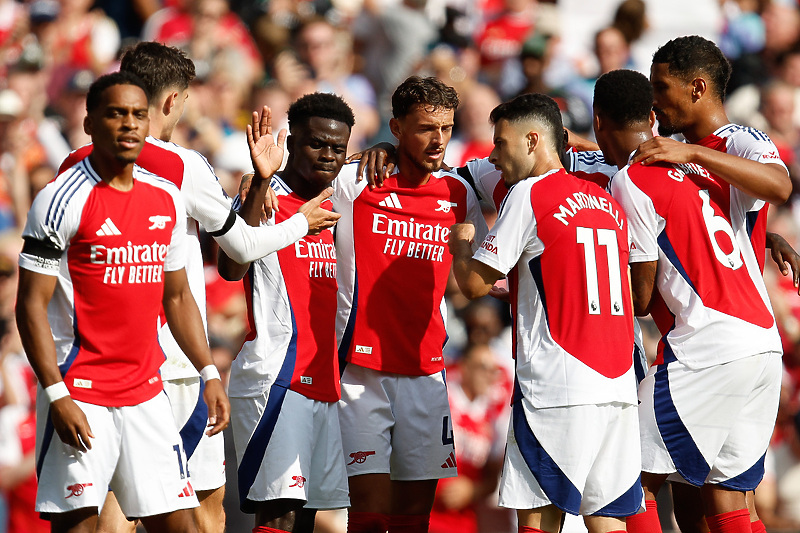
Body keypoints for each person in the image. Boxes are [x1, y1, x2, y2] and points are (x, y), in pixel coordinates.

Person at [58, 41, 338, 533]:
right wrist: (301, 222)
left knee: (117, 508)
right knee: (193, 508)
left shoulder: (74, 164)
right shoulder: (181, 164)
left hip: (92, 362)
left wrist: (259, 182)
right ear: (171, 102)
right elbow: (240, 251)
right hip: (173, 366)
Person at [15, 71, 229, 533]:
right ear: (90, 122)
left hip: (146, 393)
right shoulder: (58, 199)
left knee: (183, 527)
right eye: (116, 114)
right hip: (81, 393)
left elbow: (177, 296)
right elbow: (30, 304)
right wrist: (55, 394)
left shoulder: (166, 199)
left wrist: (208, 370)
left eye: (137, 115)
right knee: (83, 528)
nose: (129, 125)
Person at [620, 36, 794, 533]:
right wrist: (766, 239)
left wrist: (691, 151)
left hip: (712, 335)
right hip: (748, 334)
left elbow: (779, 185)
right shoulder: (676, 159)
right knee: (720, 499)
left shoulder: (737, 139)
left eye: (662, 86)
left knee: (625, 473)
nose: (654, 99)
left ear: (698, 88)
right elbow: (713, 223)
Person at [449, 92, 642, 533]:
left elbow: (474, 283)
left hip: (557, 385)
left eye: (500, 144)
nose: (494, 157)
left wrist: (462, 243)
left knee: (538, 518)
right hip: (616, 385)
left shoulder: (529, 193)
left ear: (532, 140)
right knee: (609, 523)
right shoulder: (606, 202)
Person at [333, 75, 488, 533]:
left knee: (413, 517)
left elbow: (470, 277)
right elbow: (293, 180)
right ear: (397, 128)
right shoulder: (356, 179)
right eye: (425, 128)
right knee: (367, 511)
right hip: (360, 368)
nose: (438, 139)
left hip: (426, 370)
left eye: (446, 128)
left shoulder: (459, 192)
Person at [217, 93, 350, 533]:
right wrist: (258, 180)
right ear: (291, 143)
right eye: (317, 144)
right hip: (276, 375)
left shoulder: (341, 202)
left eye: (338, 147)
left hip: (325, 379)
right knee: (279, 511)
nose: (328, 155)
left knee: (308, 515)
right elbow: (230, 266)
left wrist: (381, 151)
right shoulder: (266, 195)